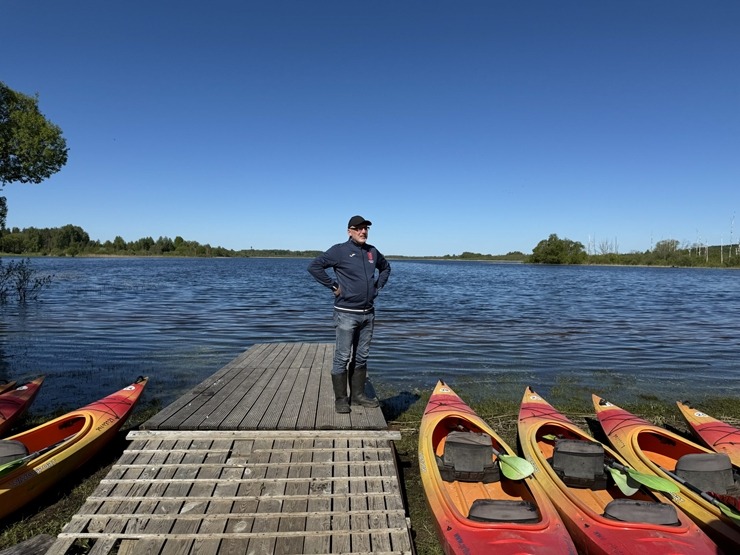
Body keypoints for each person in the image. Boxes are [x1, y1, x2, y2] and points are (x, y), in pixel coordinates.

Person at [308, 215, 391, 413]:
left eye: (366, 229)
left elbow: (386, 267)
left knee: (362, 357)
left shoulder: (372, 251)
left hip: (368, 314)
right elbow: (314, 267)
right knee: (342, 357)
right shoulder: (339, 251)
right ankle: (341, 399)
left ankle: (358, 396)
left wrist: (377, 286)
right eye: (359, 228)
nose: (363, 232)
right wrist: (333, 285)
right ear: (349, 231)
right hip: (346, 314)